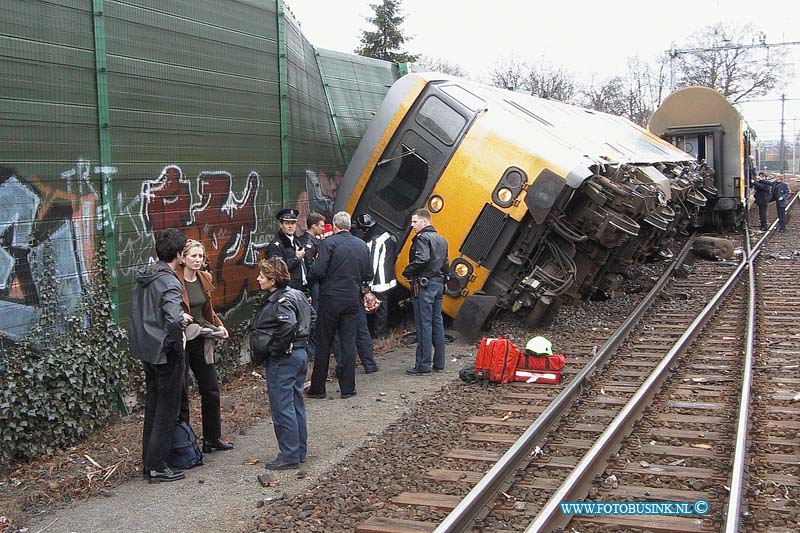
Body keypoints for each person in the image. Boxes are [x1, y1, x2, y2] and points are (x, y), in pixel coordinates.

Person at [129, 228, 192, 483]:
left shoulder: (146, 277)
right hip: (166, 351)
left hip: (147, 349)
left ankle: (150, 463)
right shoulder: (169, 281)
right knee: (167, 410)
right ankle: (157, 466)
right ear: (178, 254)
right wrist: (179, 342)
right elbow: (174, 318)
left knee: (154, 408)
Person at [250, 257, 314, 470]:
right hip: (299, 354)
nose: (258, 279)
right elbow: (311, 316)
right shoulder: (297, 295)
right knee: (295, 403)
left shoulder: (281, 301)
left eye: (262, 276)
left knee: (282, 406)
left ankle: (289, 454)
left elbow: (288, 325)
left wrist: (276, 350)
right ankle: (298, 450)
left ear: (273, 279)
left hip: (285, 358)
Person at [306, 211, 373, 399]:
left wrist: (312, 274)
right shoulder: (362, 245)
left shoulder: (328, 243)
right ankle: (348, 388)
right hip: (352, 299)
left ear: (335, 226)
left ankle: (318, 388)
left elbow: (318, 271)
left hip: (330, 299)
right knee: (348, 342)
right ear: (349, 226)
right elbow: (369, 274)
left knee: (324, 342)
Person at [177, 239, 234, 454]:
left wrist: (219, 326)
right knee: (181, 392)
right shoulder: (175, 280)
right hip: (183, 340)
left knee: (210, 388)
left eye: (201, 256)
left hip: (202, 337)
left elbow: (208, 309)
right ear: (183, 258)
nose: (198, 260)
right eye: (193, 256)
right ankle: (185, 442)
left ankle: (212, 438)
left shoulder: (204, 278)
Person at [402, 209, 449, 375]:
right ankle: (439, 362)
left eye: (415, 222)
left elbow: (422, 259)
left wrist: (407, 272)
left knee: (424, 324)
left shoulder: (422, 239)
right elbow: (445, 265)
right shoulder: (442, 240)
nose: (412, 225)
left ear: (425, 221)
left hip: (425, 285)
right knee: (437, 322)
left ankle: (423, 364)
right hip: (438, 284)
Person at [356, 213, 398, 339]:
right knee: (383, 307)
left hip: (378, 281)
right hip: (387, 277)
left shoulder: (374, 241)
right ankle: (381, 333)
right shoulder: (386, 235)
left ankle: (378, 335)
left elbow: (372, 264)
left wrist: (366, 284)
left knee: (378, 308)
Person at [297, 212, 325, 360]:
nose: (322, 229)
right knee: (314, 315)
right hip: (312, 284)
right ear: (313, 226)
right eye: (320, 226)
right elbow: (310, 266)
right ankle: (311, 350)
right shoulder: (308, 243)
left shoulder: (312, 240)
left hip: (313, 284)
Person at [266, 208, 307, 291]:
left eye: (293, 223)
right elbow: (278, 269)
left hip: (301, 287)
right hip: (287, 289)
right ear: (281, 225)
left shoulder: (296, 241)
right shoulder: (276, 245)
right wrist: (296, 258)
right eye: (287, 223)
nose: (291, 226)